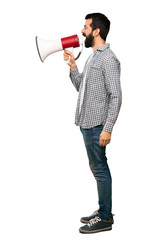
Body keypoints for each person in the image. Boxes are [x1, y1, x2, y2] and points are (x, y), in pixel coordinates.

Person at [64, 13, 122, 234]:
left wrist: (108, 128)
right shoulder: (92, 57)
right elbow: (82, 88)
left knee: (100, 169)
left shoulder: (108, 59)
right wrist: (72, 67)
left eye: (86, 27)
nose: (82, 31)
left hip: (97, 125)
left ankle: (105, 218)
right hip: (87, 124)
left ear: (96, 31)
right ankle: (103, 209)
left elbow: (116, 96)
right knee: (97, 167)